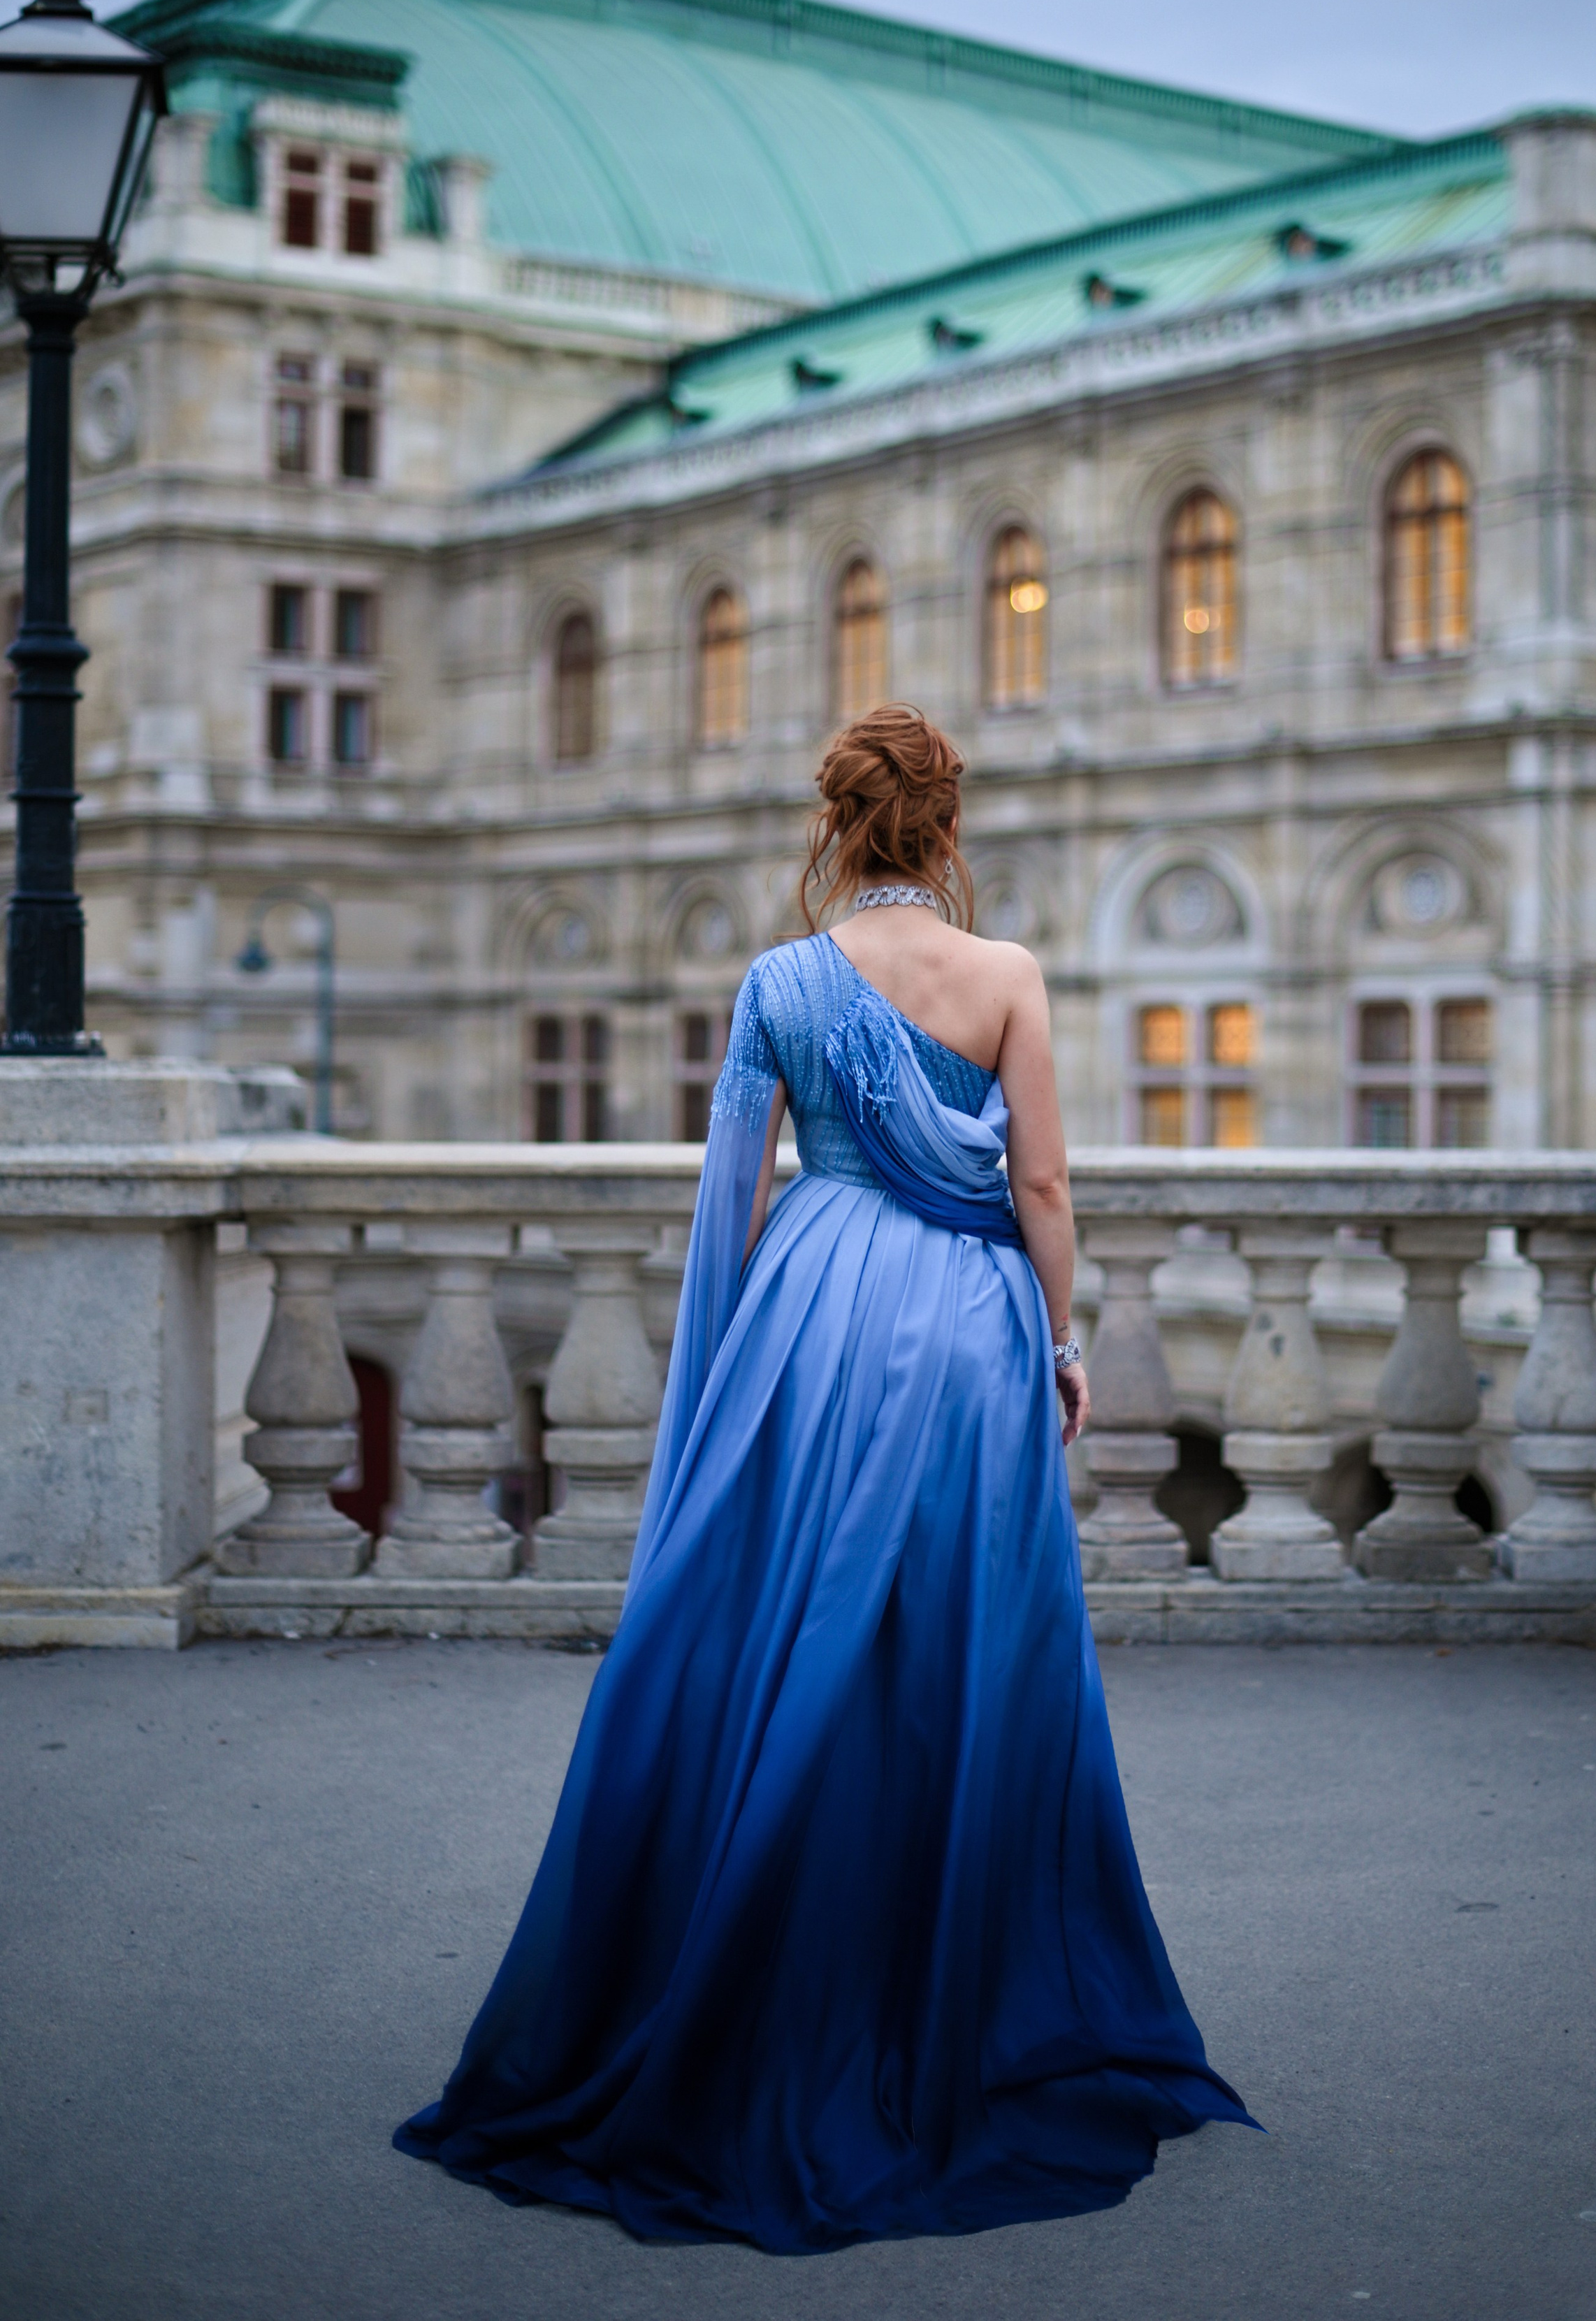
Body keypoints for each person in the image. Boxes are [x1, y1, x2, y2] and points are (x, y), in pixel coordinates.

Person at [395, 705, 1254, 2248]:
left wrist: (721, 1379)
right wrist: (1057, 1343)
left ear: (837, 827)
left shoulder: (778, 980)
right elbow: (1040, 1182)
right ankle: (951, 1982)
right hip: (962, 1323)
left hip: (813, 1300)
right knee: (959, 1649)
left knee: (789, 1637)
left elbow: (733, 1188)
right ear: (942, 826)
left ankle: (747, 1965)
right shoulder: (1005, 977)